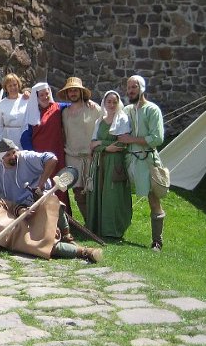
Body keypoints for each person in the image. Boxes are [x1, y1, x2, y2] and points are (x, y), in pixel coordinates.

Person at [0, 183, 102, 263]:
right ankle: (84, 252)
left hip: (26, 223)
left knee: (52, 202)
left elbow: (14, 207)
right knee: (45, 246)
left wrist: (21, 211)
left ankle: (66, 235)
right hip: (16, 240)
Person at [0, 139, 76, 244]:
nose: (13, 156)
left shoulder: (27, 157)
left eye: (14, 152)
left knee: (53, 201)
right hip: (14, 208)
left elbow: (52, 159)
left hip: (37, 198)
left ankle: (66, 233)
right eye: (8, 155)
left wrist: (40, 186)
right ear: (1, 157)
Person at [119, 75, 167, 250]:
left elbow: (157, 138)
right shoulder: (127, 110)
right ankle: (115, 231)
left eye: (134, 87)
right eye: (129, 87)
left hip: (146, 161)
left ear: (142, 88)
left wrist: (130, 139)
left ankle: (157, 241)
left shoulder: (152, 110)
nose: (130, 90)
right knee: (120, 195)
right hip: (129, 159)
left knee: (153, 200)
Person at [87, 90, 133, 239]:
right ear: (104, 103)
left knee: (112, 195)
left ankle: (112, 230)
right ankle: (97, 228)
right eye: (109, 102)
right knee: (98, 192)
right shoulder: (99, 121)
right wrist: (105, 146)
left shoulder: (122, 119)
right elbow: (92, 144)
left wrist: (100, 144)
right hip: (100, 161)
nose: (112, 104)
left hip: (115, 162)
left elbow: (121, 143)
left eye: (114, 102)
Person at [58, 77, 101, 222]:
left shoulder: (93, 109)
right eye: (70, 91)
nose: (73, 93)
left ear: (81, 92)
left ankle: (97, 222)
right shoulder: (64, 112)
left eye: (75, 90)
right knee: (78, 192)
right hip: (72, 156)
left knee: (92, 190)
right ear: (67, 94)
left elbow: (105, 124)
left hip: (90, 156)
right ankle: (89, 223)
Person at [22, 82, 71, 210]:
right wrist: (34, 159)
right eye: (41, 95)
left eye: (47, 93)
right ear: (37, 97)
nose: (45, 96)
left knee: (59, 185)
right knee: (42, 187)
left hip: (57, 155)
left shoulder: (58, 108)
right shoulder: (31, 113)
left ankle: (63, 219)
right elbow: (25, 139)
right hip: (41, 159)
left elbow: (74, 106)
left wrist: (88, 103)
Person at [0, 73, 29, 147]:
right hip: (8, 138)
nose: (13, 88)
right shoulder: (1, 104)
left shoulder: (26, 100)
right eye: (10, 86)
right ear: (6, 88)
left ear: (18, 85)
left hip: (24, 135)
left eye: (15, 84)